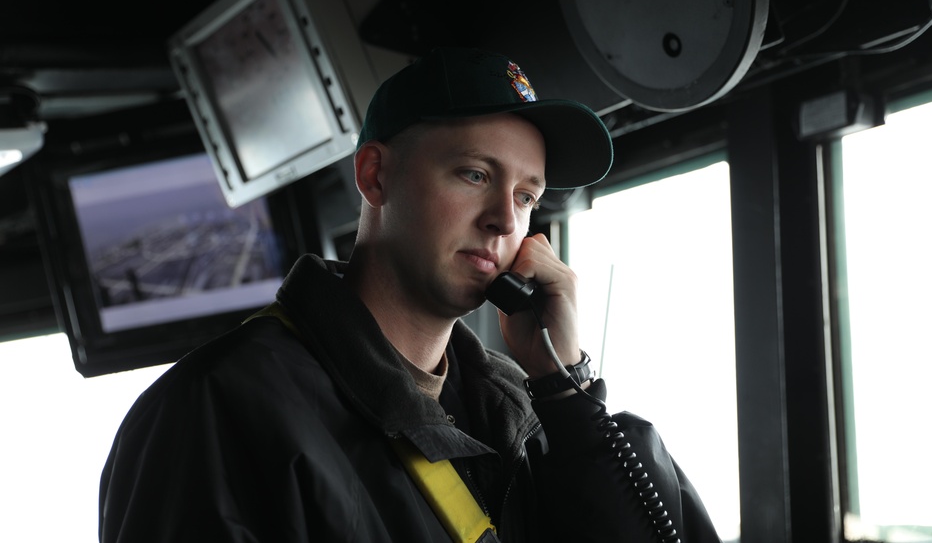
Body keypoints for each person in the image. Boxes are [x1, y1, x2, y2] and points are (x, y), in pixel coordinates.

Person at [99, 47, 722, 542]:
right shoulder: (219, 409)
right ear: (375, 175)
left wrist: (567, 386)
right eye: (475, 174)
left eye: (527, 196)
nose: (506, 221)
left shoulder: (517, 411)